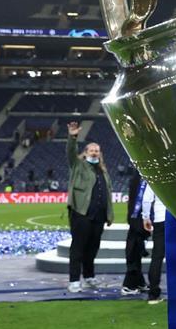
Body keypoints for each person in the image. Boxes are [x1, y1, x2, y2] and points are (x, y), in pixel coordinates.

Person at [66, 121, 114, 293]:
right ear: (85, 153)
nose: (94, 152)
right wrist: (73, 138)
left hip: (98, 215)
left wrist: (109, 215)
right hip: (81, 213)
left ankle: (88, 276)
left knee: (93, 248)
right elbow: (71, 153)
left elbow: (108, 193)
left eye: (97, 150)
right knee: (78, 248)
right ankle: (74, 280)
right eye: (91, 150)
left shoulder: (103, 171)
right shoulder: (78, 166)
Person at [121, 167, 151, 296]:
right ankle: (129, 284)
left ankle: (138, 282)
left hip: (137, 218)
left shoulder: (138, 177)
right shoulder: (140, 177)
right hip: (137, 219)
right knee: (133, 251)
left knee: (135, 250)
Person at [142, 182, 167, 305]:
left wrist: (146, 217)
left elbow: (146, 199)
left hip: (160, 219)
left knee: (157, 257)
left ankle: (153, 294)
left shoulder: (155, 173)